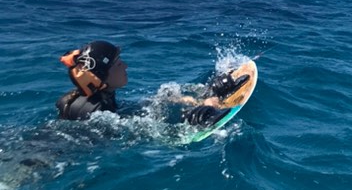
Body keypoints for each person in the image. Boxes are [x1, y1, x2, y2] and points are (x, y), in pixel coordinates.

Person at [55, 40, 248, 126]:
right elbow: (149, 134)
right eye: (119, 63)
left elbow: (133, 114)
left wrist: (176, 100)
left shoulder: (91, 97)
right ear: (101, 77)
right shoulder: (97, 111)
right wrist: (200, 113)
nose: (126, 66)